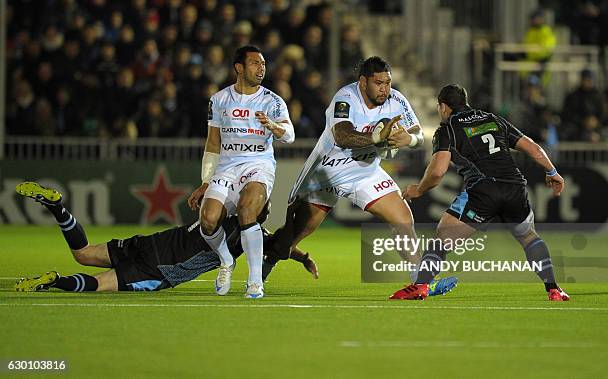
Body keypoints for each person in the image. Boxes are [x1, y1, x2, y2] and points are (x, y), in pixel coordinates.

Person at [271, 56, 458, 296]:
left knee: (402, 218)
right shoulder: (346, 98)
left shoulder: (396, 99)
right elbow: (342, 136)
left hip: (366, 172)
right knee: (292, 237)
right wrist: (376, 139)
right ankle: (263, 267)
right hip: (328, 172)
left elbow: (417, 134)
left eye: (387, 82)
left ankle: (420, 282)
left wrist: (409, 139)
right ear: (362, 82)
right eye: (378, 83)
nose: (385, 89)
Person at [390, 84, 569, 301]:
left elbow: (437, 172)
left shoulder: (447, 130)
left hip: (483, 191)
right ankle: (554, 289)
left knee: (441, 239)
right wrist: (552, 171)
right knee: (529, 237)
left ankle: (420, 286)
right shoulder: (493, 119)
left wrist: (418, 189)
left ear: (444, 107)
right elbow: (532, 147)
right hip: (515, 187)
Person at [14, 181, 317, 293]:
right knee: (99, 284)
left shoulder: (221, 213)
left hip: (156, 242)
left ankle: (58, 208)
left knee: (83, 253)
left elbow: (273, 241)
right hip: (159, 270)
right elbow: (276, 245)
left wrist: (301, 255)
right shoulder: (250, 236)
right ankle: (54, 281)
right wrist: (297, 242)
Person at [187, 45, 294, 299]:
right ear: (239, 67)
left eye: (264, 64)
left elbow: (289, 135)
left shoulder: (272, 101)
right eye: (256, 63)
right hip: (226, 167)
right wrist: (206, 181)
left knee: (248, 210)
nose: (262, 69)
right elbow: (213, 144)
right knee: (208, 220)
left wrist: (273, 126)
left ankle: (255, 282)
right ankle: (226, 261)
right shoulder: (220, 99)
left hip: (259, 164)